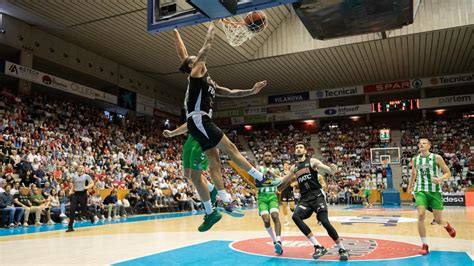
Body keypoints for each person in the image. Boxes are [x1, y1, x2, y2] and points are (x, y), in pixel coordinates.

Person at [170, 24, 279, 232]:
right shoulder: (196, 73)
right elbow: (204, 47)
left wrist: (251, 90)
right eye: (194, 60)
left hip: (200, 123)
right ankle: (260, 178)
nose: (197, 58)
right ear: (193, 66)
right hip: (199, 120)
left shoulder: (207, 80)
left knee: (214, 162)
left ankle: (222, 201)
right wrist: (213, 23)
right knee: (231, 149)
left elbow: (229, 92)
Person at [276, 143, 349, 261]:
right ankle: (318, 246)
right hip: (305, 199)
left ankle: (342, 248)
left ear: (305, 151)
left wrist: (332, 169)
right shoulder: (294, 167)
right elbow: (285, 180)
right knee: (296, 216)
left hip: (317, 196)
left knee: (325, 221)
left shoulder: (312, 161)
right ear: (295, 152)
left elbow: (327, 169)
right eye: (296, 148)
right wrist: (274, 184)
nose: (298, 149)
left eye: (300, 147)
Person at [408, 138, 456, 255]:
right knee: (420, 214)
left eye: (424, 143)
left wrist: (440, 179)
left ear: (429, 146)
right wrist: (410, 187)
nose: (421, 144)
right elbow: (413, 174)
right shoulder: (415, 159)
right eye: (419, 143)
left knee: (439, 220)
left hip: (435, 191)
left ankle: (447, 225)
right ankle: (424, 245)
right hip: (420, 190)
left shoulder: (437, 158)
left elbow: (448, 172)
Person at [257, 152, 283, 255]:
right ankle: (274, 241)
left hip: (272, 196)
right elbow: (257, 182)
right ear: (263, 158)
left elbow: (280, 181)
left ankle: (279, 241)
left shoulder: (275, 170)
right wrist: (271, 181)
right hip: (262, 197)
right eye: (265, 155)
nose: (267, 157)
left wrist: (271, 175)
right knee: (266, 220)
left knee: (275, 216)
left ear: (272, 158)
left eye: (269, 155)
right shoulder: (258, 169)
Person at [66, 165, 96, 232]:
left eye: (82, 167)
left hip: (83, 194)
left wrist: (87, 187)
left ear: (83, 169)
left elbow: (92, 183)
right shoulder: (74, 176)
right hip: (76, 194)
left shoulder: (86, 176)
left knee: (84, 211)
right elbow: (73, 185)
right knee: (72, 209)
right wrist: (71, 191)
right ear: (77, 169)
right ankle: (70, 227)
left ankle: (91, 216)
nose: (80, 168)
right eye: (79, 167)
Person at [280, 161, 296, 226]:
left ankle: (295, 217)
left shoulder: (291, 173)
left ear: (289, 166)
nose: (286, 166)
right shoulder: (281, 174)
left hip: (290, 191)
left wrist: (294, 184)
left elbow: (296, 181)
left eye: (287, 165)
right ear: (283, 166)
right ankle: (286, 220)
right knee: (284, 206)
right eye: (285, 165)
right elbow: (279, 181)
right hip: (283, 191)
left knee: (292, 206)